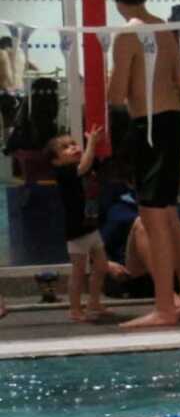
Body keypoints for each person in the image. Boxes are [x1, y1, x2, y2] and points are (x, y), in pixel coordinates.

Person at [107, 0, 180, 327]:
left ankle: (165, 306)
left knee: (153, 218)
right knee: (167, 214)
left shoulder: (127, 34)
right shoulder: (164, 28)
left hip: (149, 126)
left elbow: (117, 94)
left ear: (117, 0)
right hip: (173, 122)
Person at [100, 189, 180, 302]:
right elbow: (96, 243)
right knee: (142, 223)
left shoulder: (169, 202)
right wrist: (107, 264)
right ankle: (169, 296)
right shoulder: (115, 203)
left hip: (171, 263)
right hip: (134, 270)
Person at [47, 126, 109, 321]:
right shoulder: (64, 172)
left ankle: (94, 301)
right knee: (79, 271)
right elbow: (83, 166)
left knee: (102, 266)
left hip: (91, 226)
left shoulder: (84, 166)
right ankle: (74, 308)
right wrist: (91, 143)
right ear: (56, 161)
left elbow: (91, 164)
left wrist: (96, 146)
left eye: (73, 144)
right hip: (77, 231)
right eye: (65, 148)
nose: (73, 147)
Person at [0, 34, 22, 138]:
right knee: (13, 121)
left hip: (6, 92)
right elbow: (35, 67)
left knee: (8, 121)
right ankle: (11, 143)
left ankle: (8, 142)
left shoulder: (2, 54)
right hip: (17, 92)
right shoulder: (18, 56)